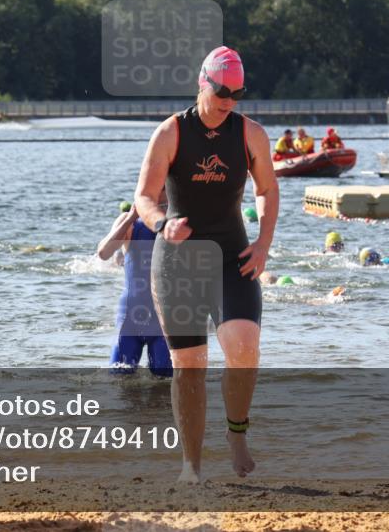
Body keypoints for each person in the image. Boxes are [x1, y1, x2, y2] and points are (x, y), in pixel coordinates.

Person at [135, 45, 279, 483]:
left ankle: (237, 433)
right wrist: (163, 223)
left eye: (237, 93)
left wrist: (263, 244)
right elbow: (143, 197)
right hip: (178, 260)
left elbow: (267, 190)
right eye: (222, 92)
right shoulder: (170, 133)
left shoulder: (250, 134)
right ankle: (191, 467)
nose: (229, 101)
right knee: (190, 364)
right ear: (203, 83)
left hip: (232, 253)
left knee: (243, 346)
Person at [97, 198, 172, 378]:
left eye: (164, 186)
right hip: (130, 316)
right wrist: (130, 218)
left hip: (167, 319)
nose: (160, 193)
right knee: (119, 377)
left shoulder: (180, 221)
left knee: (164, 382)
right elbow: (104, 253)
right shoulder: (130, 222)